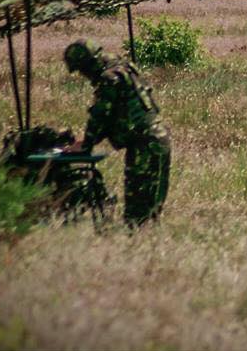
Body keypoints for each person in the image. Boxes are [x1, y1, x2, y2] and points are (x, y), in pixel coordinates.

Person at [63, 39, 171, 226]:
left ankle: (138, 239)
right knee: (152, 203)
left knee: (138, 207)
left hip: (144, 144)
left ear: (89, 64)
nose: (83, 75)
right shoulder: (124, 67)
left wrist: (86, 145)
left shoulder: (109, 78)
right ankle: (149, 237)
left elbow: (100, 116)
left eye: (82, 70)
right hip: (158, 138)